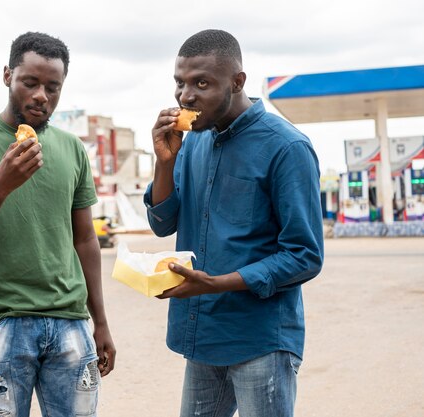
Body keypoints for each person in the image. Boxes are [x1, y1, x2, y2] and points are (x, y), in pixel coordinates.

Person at [144, 30, 324, 417]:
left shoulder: (286, 147)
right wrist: (164, 162)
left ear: (237, 82)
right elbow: (163, 223)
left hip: (259, 339)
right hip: (203, 334)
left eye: (201, 83)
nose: (185, 96)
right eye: (180, 83)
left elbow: (304, 255)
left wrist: (216, 284)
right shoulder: (191, 142)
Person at [0, 32, 115, 417]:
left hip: (70, 323)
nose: (41, 96)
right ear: (7, 76)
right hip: (0, 324)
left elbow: (85, 239)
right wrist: (1, 185)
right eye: (30, 83)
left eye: (53, 87)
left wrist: (100, 322)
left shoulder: (71, 149)